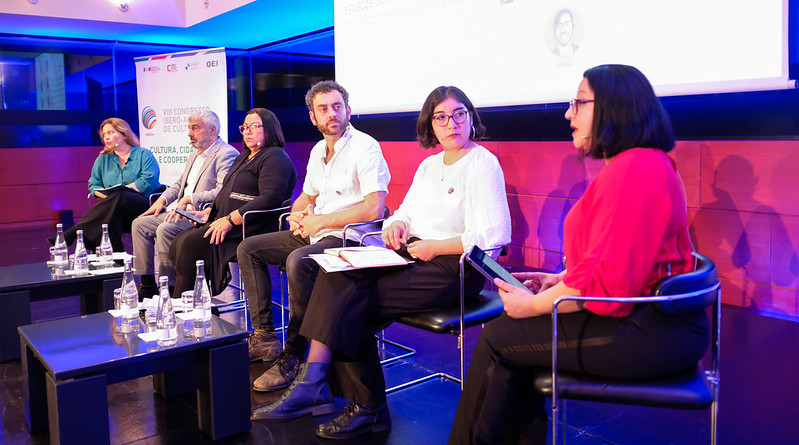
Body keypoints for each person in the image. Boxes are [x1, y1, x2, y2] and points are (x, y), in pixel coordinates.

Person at [447, 64, 710, 444]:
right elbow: (612, 261)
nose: (568, 114)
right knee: (513, 339)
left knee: (499, 337)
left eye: (579, 102)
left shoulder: (635, 169)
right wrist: (558, 281)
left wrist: (533, 305)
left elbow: (606, 286)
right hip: (653, 317)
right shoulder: (638, 163)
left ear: (614, 107)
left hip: (650, 329)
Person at [250, 85, 512, 441]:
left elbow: (494, 235)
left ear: (471, 117)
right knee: (337, 274)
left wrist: (436, 246)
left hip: (455, 268)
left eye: (459, 114)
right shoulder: (430, 165)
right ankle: (324, 387)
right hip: (414, 255)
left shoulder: (482, 163)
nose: (451, 124)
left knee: (347, 302)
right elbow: (404, 211)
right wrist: (397, 224)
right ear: (430, 125)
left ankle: (349, 399)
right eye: (441, 117)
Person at [237, 80, 390, 366]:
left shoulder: (366, 147)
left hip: (351, 238)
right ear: (313, 117)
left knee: (298, 261)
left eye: (337, 107)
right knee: (249, 249)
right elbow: (307, 196)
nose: (332, 114)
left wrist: (319, 222)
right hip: (318, 231)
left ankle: (297, 351)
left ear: (348, 110)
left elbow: (374, 209)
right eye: (324, 109)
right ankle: (265, 336)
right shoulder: (319, 150)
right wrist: (296, 215)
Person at [167, 108, 296, 299]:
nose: (248, 132)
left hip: (252, 226)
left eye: (254, 126)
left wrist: (228, 220)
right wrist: (209, 213)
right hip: (231, 221)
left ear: (269, 128)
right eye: (245, 127)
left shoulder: (275, 157)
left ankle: (183, 303)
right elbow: (227, 192)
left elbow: (270, 198)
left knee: (191, 243)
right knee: (181, 239)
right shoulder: (244, 157)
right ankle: (196, 301)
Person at [131, 110, 239, 300]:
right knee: (140, 224)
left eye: (195, 128)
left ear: (212, 130)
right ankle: (147, 284)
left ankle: (172, 290)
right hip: (182, 212)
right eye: (189, 128)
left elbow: (223, 191)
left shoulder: (226, 154)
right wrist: (162, 200)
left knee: (166, 228)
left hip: (203, 215)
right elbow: (179, 184)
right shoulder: (194, 155)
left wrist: (191, 198)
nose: (189, 133)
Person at [57, 117, 160, 252]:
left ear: (124, 134)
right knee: (110, 219)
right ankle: (116, 260)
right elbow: (93, 186)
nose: (106, 137)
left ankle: (75, 230)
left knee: (121, 194)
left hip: (144, 206)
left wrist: (119, 194)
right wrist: (112, 199)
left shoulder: (144, 154)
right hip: (115, 209)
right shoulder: (102, 159)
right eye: (104, 134)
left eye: (110, 133)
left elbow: (148, 181)